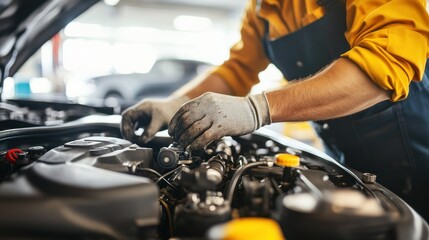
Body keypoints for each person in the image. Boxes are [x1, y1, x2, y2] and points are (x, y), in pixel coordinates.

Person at [121, 0, 429, 220]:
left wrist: (258, 108)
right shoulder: (262, 8)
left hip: (418, 155)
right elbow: (236, 71)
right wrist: (176, 104)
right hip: (346, 161)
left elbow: (386, 63)